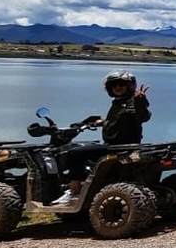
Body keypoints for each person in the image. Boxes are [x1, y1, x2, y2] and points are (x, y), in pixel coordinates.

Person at [52, 70, 147, 205]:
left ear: (130, 86)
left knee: (74, 153)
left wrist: (140, 102)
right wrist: (102, 122)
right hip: (121, 145)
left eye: (121, 84)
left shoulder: (133, 101)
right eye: (114, 85)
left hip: (117, 146)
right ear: (110, 88)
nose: (117, 87)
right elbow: (120, 121)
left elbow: (143, 116)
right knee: (86, 150)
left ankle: (74, 191)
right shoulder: (119, 103)